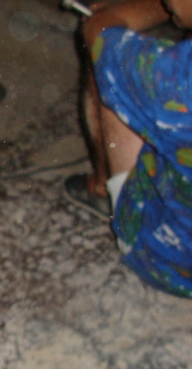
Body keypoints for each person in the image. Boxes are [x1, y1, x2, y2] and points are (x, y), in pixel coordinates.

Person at [63, 0, 192, 296]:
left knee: (116, 63)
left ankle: (101, 187)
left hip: (175, 265)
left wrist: (111, 16)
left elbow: (99, 32)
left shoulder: (175, 77)